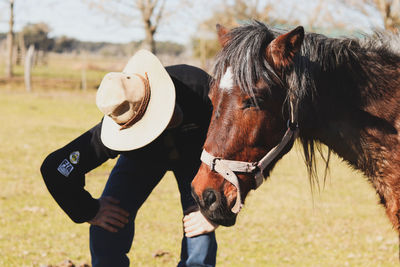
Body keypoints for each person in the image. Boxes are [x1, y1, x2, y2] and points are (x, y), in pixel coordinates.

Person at [40, 50, 218, 267]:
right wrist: (90, 211)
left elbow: (241, 147)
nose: (168, 120)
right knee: (106, 228)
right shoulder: (117, 123)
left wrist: (217, 213)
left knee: (199, 225)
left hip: (198, 157)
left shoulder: (201, 87)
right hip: (143, 156)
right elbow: (56, 169)